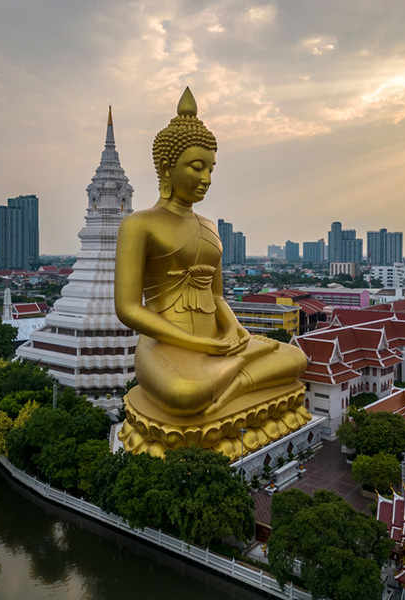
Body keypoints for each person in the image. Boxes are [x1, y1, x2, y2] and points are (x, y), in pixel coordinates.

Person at [115, 88, 306, 418]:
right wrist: (201, 345)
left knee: (296, 359)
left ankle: (233, 378)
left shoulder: (210, 226)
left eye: (211, 170)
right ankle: (241, 370)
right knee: (185, 393)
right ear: (166, 167)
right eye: (197, 167)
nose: (206, 179)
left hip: (219, 342)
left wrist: (234, 330)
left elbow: (216, 298)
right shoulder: (139, 224)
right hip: (166, 346)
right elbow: (129, 308)